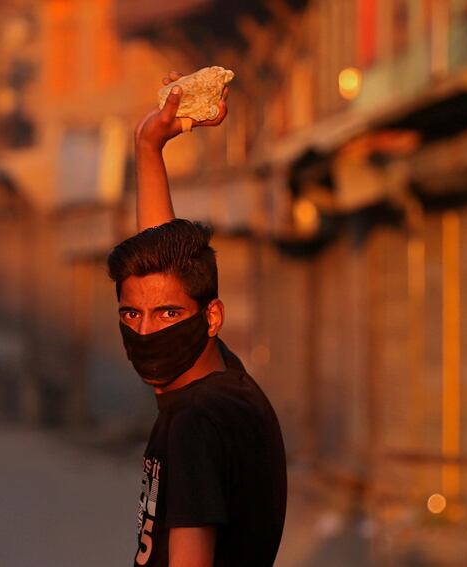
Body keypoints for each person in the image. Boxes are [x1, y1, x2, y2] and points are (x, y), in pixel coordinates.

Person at [107, 72, 287, 567]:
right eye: (131, 314)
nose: (146, 331)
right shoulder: (226, 384)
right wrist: (149, 146)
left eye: (168, 314)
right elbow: (161, 267)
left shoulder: (194, 425)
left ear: (213, 316)